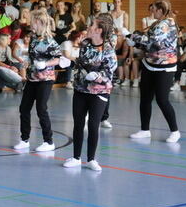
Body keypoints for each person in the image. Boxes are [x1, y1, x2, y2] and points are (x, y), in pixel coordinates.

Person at [64, 14, 117, 172]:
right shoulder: (85, 43)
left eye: (91, 26)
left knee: (93, 125)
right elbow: (81, 63)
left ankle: (91, 159)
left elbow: (109, 76)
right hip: (80, 90)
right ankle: (76, 157)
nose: (88, 28)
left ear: (99, 30)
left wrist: (98, 77)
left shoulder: (108, 50)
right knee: (78, 123)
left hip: (99, 93)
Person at [127, 0, 180, 143]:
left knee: (162, 100)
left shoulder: (166, 24)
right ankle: (145, 130)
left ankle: (175, 131)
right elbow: (148, 42)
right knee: (145, 99)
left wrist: (132, 37)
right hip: (150, 64)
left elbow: (153, 44)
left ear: (161, 11)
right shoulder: (157, 23)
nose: (152, 11)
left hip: (165, 68)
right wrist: (135, 41)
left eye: (154, 9)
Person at [14, 11, 60, 152]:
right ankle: (24, 139)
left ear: (39, 22)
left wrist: (46, 64)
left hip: (45, 80)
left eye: (33, 21)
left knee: (41, 108)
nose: (30, 23)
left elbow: (58, 59)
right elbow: (33, 56)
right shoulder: (34, 38)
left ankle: (48, 141)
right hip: (32, 78)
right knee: (24, 108)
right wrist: (27, 63)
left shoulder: (50, 41)